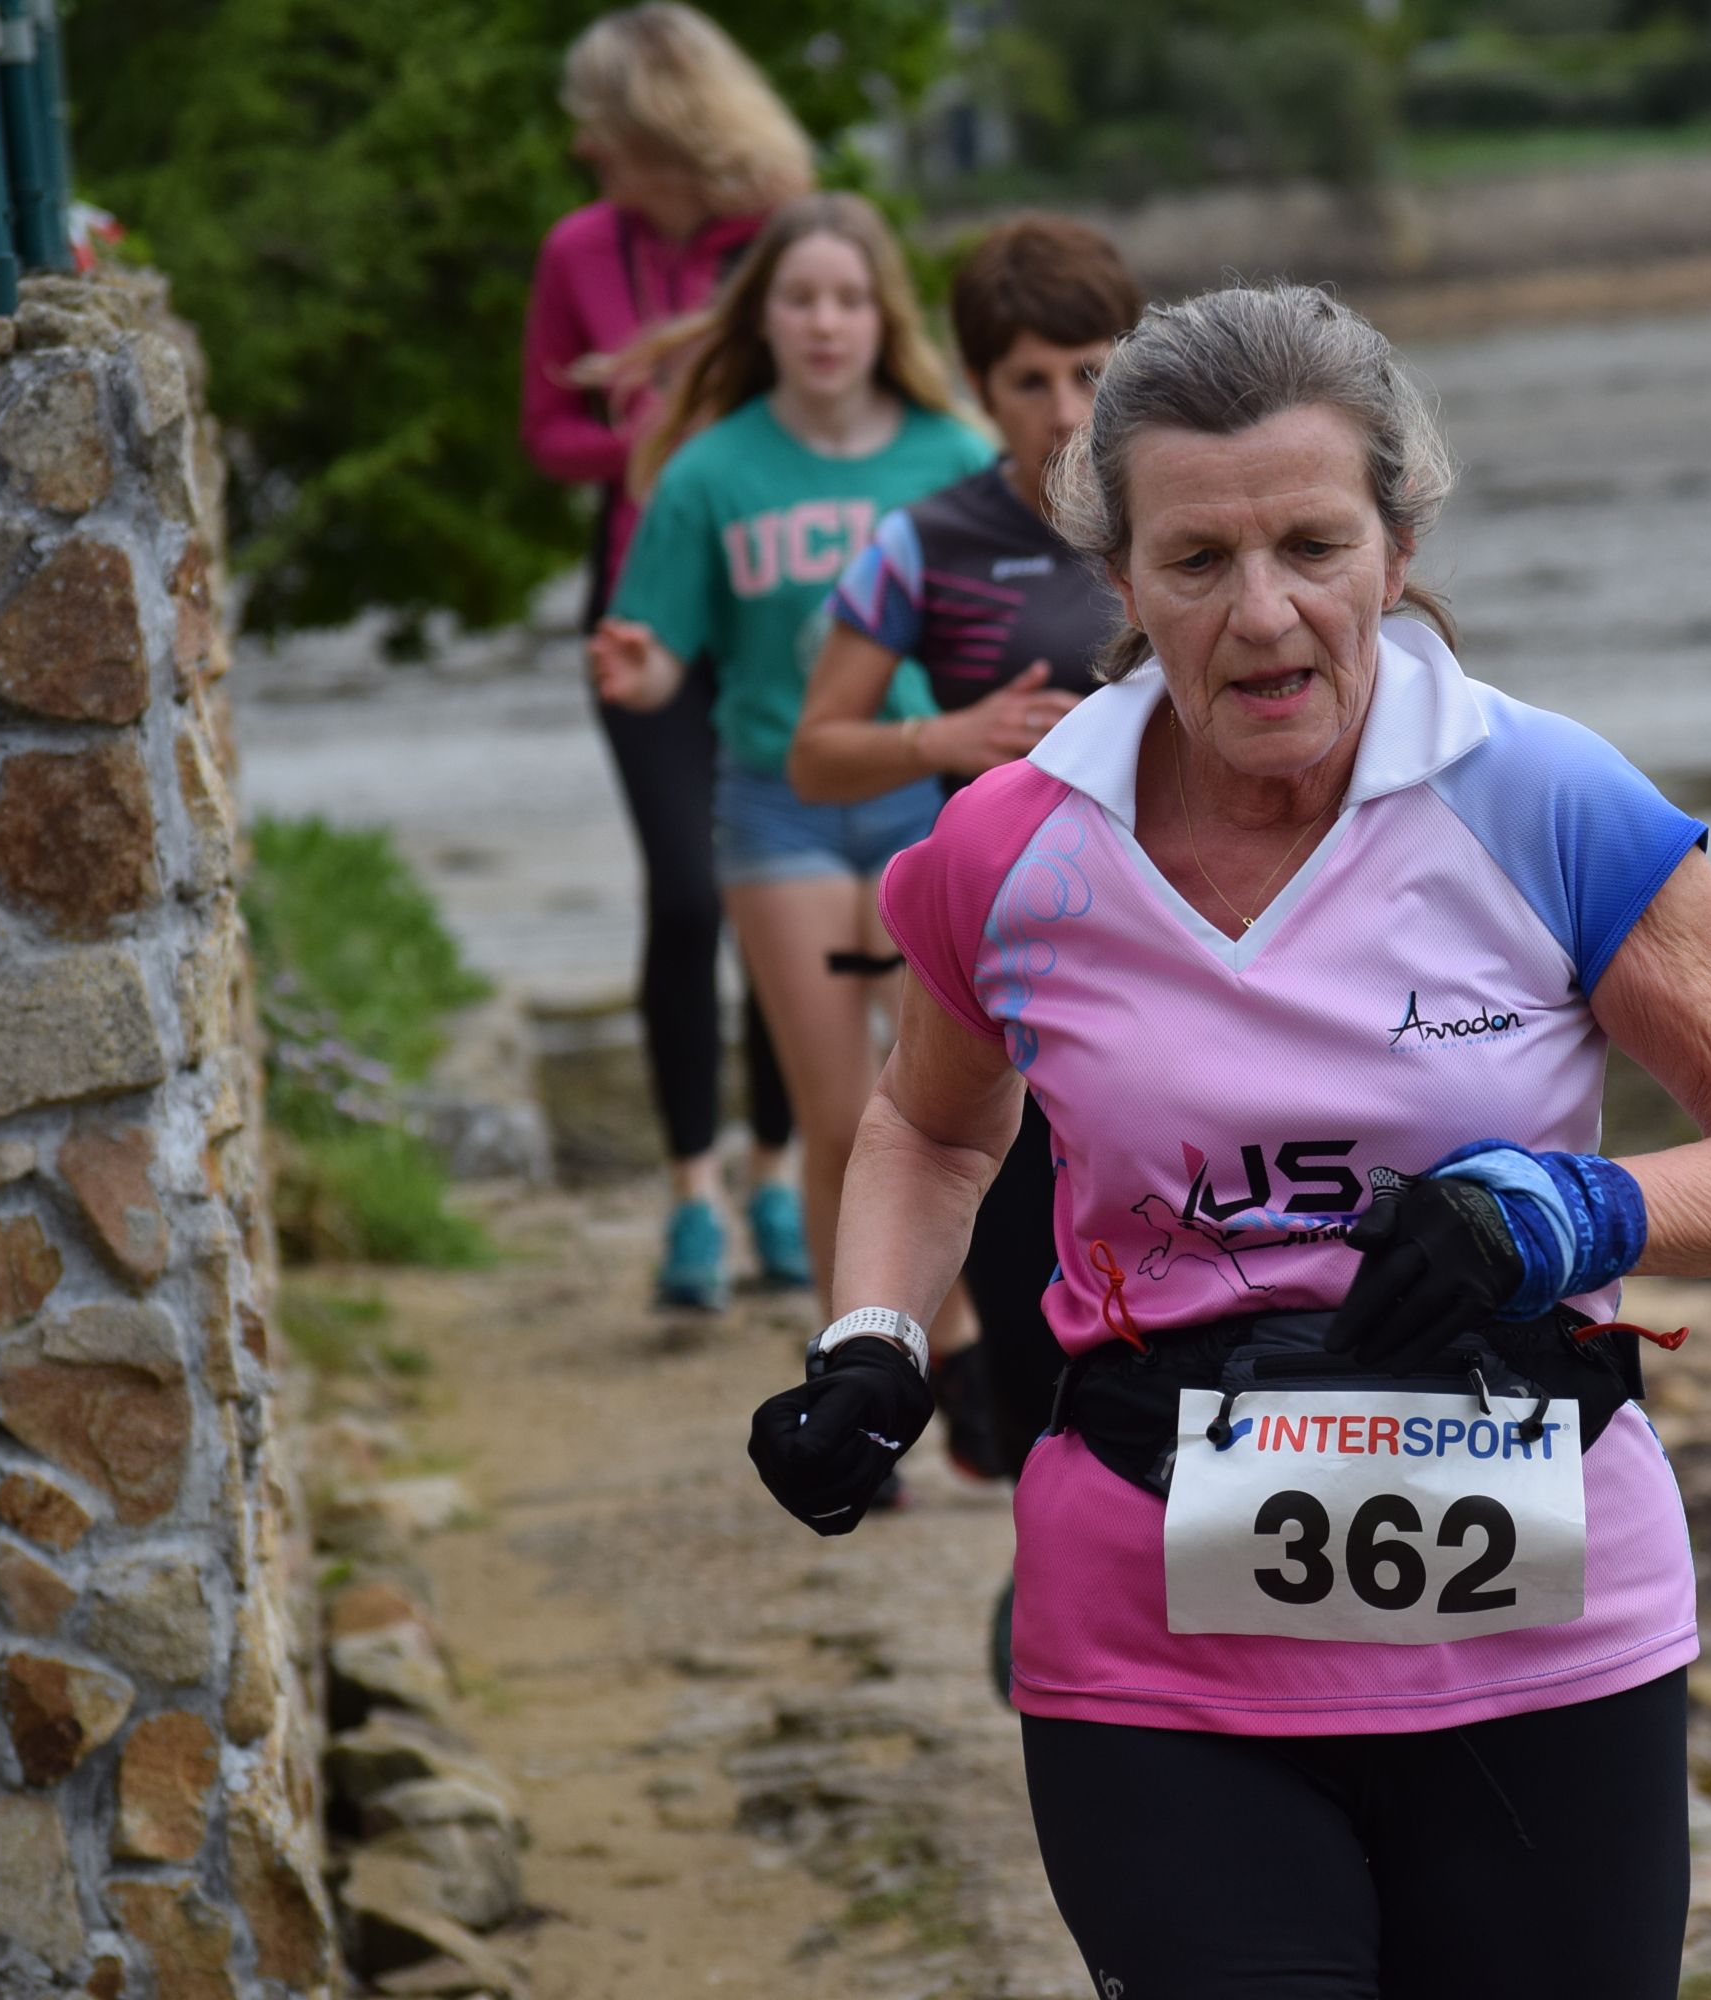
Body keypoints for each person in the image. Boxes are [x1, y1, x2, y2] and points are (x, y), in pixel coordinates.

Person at [748, 285, 1711, 1997]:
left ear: (1396, 550)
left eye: (1312, 546)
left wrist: (1563, 1214)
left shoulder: (1545, 802)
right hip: (1154, 1638)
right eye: (1197, 560)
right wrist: (873, 1342)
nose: (1262, 613)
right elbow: (927, 1128)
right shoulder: (1011, 849)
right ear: (1121, 580)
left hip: (1535, 1632)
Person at [790, 216, 1142, 1519]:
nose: (1067, 410)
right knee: (1029, 1295)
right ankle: (1048, 1562)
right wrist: (946, 737)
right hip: (1009, 971)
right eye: (1029, 380)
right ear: (980, 390)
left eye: (1092, 372)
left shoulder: (1188, 517)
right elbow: (815, 753)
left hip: (1181, 958)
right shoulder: (924, 543)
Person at [588, 194, 996, 1310]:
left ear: (883, 317)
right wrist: (638, 670)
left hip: (926, 806)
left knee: (954, 1114)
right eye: (801, 298)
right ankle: (859, 1365)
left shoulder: (955, 456)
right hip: (778, 811)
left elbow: (1015, 615)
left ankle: (965, 1355)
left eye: (849, 299)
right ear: (761, 316)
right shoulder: (710, 474)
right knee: (842, 1119)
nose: (825, 322)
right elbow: (664, 657)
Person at [523, 3, 815, 1309]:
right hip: (644, 603)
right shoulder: (578, 248)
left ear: (664, 127)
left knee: (782, 894)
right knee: (688, 894)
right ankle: (691, 1196)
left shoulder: (790, 237)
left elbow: (848, 400)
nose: (584, 148)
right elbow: (548, 430)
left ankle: (776, 1175)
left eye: (603, 126)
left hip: (778, 606)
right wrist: (645, 444)